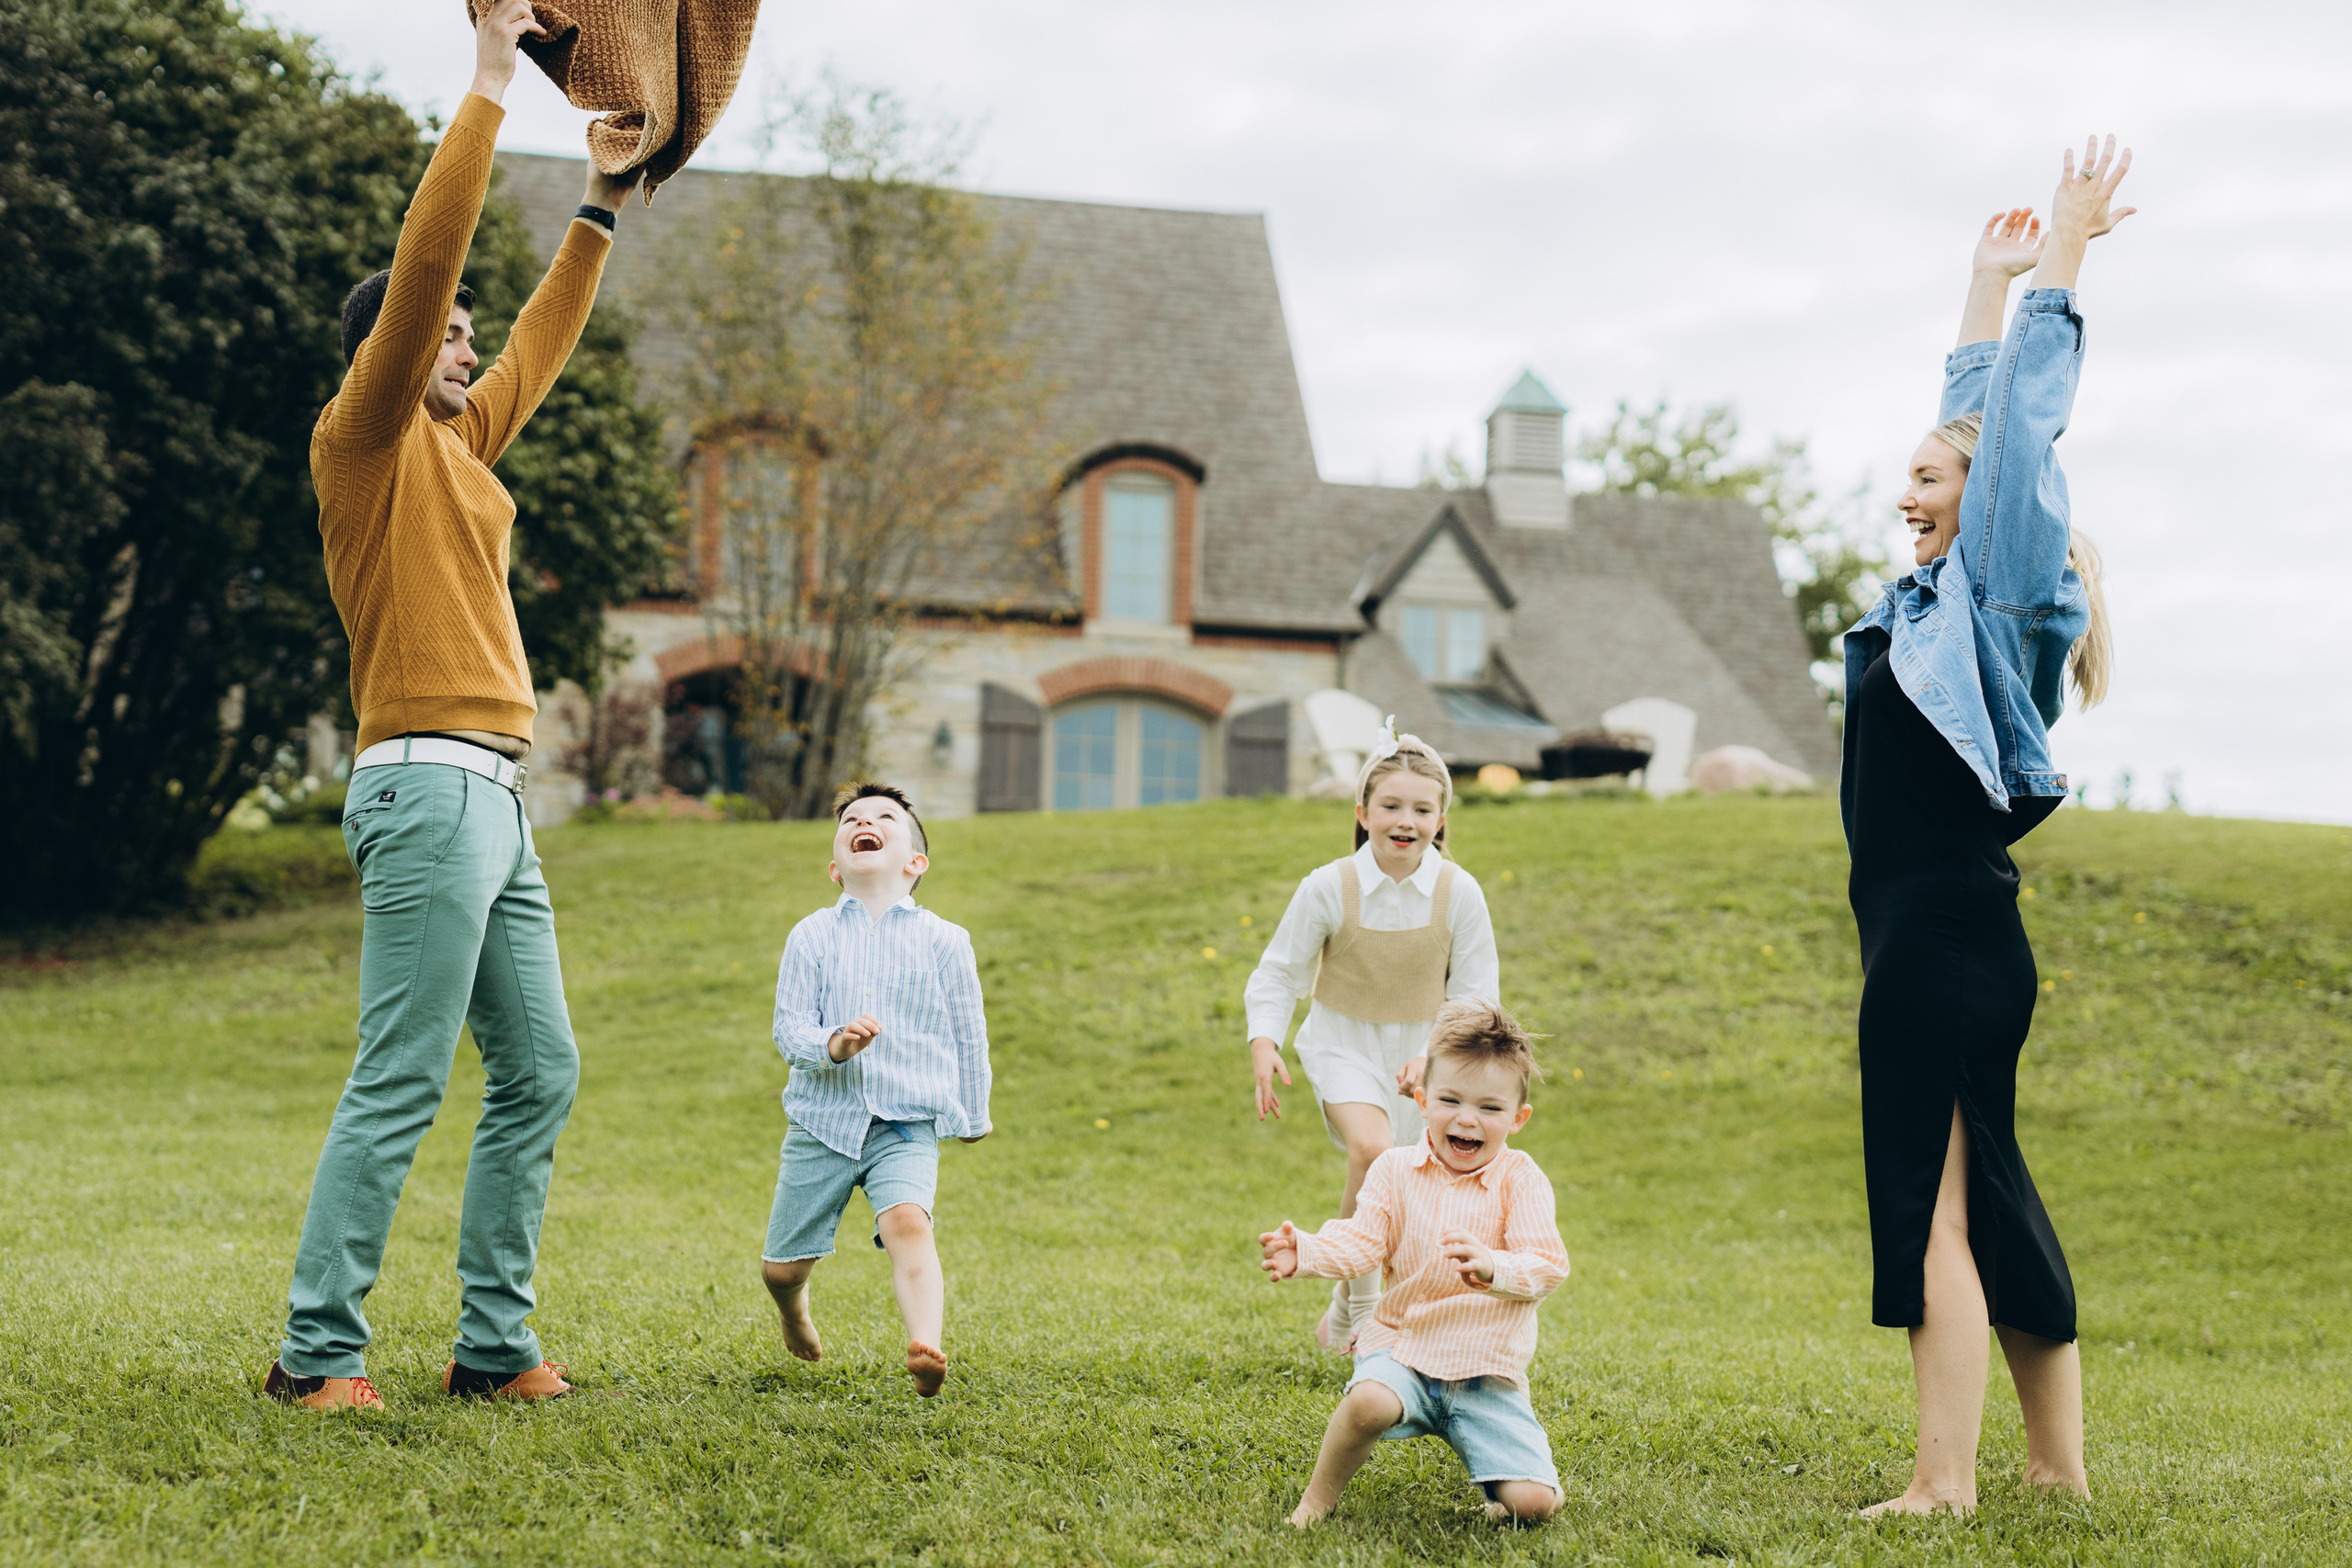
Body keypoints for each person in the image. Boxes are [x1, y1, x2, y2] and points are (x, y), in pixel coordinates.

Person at [265, 0, 645, 1412]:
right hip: (424, 783)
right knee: (403, 1076)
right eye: (447, 337)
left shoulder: (463, 446)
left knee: (541, 1066)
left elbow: (538, 339)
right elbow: (428, 271)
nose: (468, 349)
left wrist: (603, 202)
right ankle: (317, 1349)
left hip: (497, 793)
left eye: (467, 341)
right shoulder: (361, 435)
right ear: (388, 352)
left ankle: (491, 1343)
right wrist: (489, 83)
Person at [1838, 137, 2131, 1515]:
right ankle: (2054, 1467)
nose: (1910, 491)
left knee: (1935, 1206)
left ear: (1983, 511)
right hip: (1946, 932)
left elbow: (2008, 431)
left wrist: (2059, 265)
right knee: (1991, 1191)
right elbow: (1971, 413)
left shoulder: (1995, 593)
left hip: (1942, 931)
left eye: (1928, 482)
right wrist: (1980, 281)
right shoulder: (1930, 603)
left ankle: (1940, 1483)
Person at [1258, 1000, 1566, 1526]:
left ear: (1518, 1118)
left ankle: (1507, 1495)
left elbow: (1547, 1264)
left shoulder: (1522, 1180)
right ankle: (1314, 1504)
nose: (1466, 1118)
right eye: (1450, 1099)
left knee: (1534, 1506)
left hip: (1485, 1371)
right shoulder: (1394, 1170)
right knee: (1369, 1402)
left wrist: (1495, 1267)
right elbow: (1362, 1242)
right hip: (1404, 1349)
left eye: (1489, 1109)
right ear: (1422, 1100)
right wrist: (1306, 1251)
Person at [1243, 721, 1499, 1355]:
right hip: (1343, 1044)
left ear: (1441, 818)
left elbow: (1475, 993)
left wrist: (1433, 1057)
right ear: (1363, 812)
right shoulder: (1329, 886)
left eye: (1421, 808)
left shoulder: (1458, 891)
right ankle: (1363, 1311)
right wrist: (1264, 1041)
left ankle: (1339, 1301)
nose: (1404, 819)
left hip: (1424, 1056)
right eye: (1390, 805)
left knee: (1401, 1187)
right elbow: (1278, 972)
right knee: (1374, 1151)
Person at [762, 784, 993, 1398]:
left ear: (914, 861)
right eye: (851, 820)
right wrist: (832, 1046)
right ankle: (794, 1308)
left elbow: (969, 1031)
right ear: (837, 866)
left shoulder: (947, 941)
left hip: (905, 1122)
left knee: (909, 1222)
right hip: (822, 1121)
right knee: (780, 1267)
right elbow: (789, 1030)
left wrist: (974, 1111)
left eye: (885, 817)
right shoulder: (809, 935)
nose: (865, 821)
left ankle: (926, 1343)